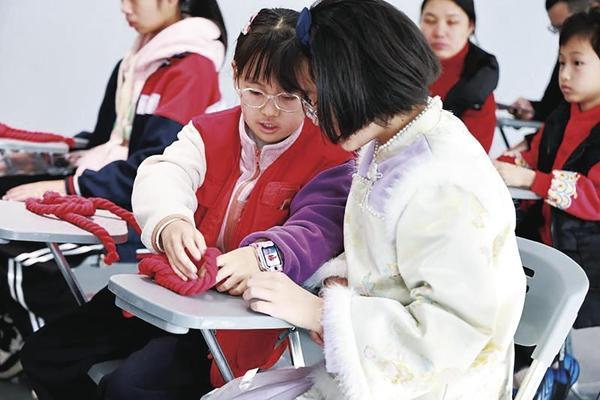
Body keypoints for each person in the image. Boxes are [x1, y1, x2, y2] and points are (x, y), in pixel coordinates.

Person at [20, 8, 354, 400]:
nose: (269, 110)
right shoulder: (208, 131)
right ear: (235, 76)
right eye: (256, 92)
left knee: (130, 388)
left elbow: (317, 229)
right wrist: (171, 222)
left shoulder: (329, 155)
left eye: (288, 98)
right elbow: (165, 173)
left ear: (313, 89)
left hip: (235, 319)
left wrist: (263, 256)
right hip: (173, 287)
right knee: (44, 355)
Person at [235, 1, 527, 399]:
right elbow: (389, 257)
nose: (313, 115)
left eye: (314, 98)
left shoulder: (441, 180)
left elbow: (452, 334)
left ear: (355, 82)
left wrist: (321, 313)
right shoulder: (395, 143)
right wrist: (340, 283)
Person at [0, 0, 226, 380]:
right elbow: (103, 142)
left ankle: (46, 354)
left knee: (19, 260)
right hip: (109, 190)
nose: (124, 7)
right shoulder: (136, 62)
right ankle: (32, 343)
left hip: (140, 214)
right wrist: (29, 163)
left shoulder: (192, 68)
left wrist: (68, 185)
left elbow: (154, 165)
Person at [495, 9, 600, 329]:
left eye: (577, 63)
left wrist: (531, 179)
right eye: (561, 62)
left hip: (587, 265)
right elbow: (533, 156)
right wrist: (504, 165)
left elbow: (594, 195)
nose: (564, 75)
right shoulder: (562, 116)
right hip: (547, 248)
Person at [420, 0, 499, 152]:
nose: (439, 32)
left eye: (452, 22)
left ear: (470, 26)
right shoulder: (399, 67)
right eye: (430, 21)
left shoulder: (479, 83)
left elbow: (471, 158)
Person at [509, 0, 589, 123]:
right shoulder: (566, 55)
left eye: (565, 26)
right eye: (556, 29)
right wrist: (532, 110)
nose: (562, 35)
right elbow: (552, 105)